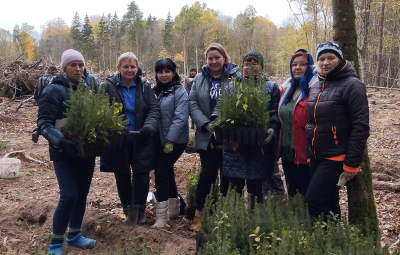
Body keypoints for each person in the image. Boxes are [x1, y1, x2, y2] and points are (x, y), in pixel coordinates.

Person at [37, 49, 96, 255]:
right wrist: (61, 141)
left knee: (81, 195)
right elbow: (44, 123)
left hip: (85, 152)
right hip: (62, 152)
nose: (78, 69)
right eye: (73, 65)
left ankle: (74, 235)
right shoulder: (53, 91)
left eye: (81, 65)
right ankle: (55, 243)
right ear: (64, 68)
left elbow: (94, 119)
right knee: (69, 195)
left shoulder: (87, 89)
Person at [304, 42, 369, 221]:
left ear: (340, 60)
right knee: (329, 201)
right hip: (317, 155)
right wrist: (311, 152)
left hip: (337, 157)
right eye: (321, 59)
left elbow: (361, 126)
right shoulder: (317, 85)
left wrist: (351, 164)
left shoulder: (352, 85)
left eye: (331, 58)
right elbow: (314, 122)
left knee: (312, 200)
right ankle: (334, 240)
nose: (325, 62)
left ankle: (323, 240)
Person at [99, 52, 159, 225]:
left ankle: (140, 209)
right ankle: (128, 210)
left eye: (133, 67)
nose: (129, 70)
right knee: (123, 176)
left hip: (141, 139)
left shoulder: (144, 86)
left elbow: (154, 109)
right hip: (118, 141)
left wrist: (149, 126)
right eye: (125, 66)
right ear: (118, 68)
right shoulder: (108, 87)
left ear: (137, 68)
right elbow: (102, 110)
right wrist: (115, 126)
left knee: (142, 176)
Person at [221, 51, 280, 207]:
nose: (250, 66)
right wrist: (217, 125)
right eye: (247, 63)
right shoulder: (231, 85)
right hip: (235, 148)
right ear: (242, 66)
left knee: (256, 190)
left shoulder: (271, 87)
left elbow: (275, 114)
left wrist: (271, 131)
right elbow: (219, 111)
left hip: (259, 149)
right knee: (234, 190)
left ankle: (255, 224)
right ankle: (233, 224)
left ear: (261, 66)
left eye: (255, 63)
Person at [189, 43, 240, 217]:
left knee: (228, 174)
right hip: (206, 133)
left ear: (225, 58)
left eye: (217, 57)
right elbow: (193, 103)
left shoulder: (236, 78)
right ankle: (201, 210)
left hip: (230, 135)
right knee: (208, 174)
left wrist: (225, 126)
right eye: (210, 58)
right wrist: (206, 124)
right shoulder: (199, 79)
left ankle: (226, 213)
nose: (213, 61)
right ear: (206, 60)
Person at [152, 58, 189, 228]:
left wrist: (170, 141)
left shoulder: (179, 91)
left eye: (167, 71)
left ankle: (162, 216)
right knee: (167, 171)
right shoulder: (157, 91)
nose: (164, 75)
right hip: (160, 140)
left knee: (160, 171)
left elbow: (180, 118)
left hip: (175, 140)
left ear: (174, 73)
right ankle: (174, 210)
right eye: (160, 72)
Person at [277, 49, 319, 197]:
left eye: (302, 64)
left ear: (310, 66)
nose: (298, 67)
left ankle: (310, 220)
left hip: (307, 153)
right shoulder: (286, 89)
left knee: (308, 194)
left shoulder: (316, 89)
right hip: (287, 152)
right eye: (294, 64)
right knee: (293, 193)